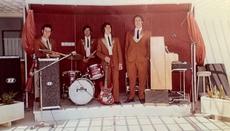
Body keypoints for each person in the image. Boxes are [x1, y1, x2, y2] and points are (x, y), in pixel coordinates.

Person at [125, 15, 151, 104]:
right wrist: (127, 58)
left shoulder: (148, 33)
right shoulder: (129, 33)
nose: (137, 22)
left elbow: (149, 47)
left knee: (142, 78)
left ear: (142, 22)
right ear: (134, 22)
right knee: (131, 79)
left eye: (139, 20)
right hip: (131, 60)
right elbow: (126, 47)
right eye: (136, 20)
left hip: (142, 60)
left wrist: (146, 57)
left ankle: (141, 96)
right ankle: (131, 96)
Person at [96, 22, 123, 104]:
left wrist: (120, 63)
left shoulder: (116, 39)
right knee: (107, 80)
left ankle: (116, 99)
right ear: (103, 29)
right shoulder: (100, 40)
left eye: (109, 27)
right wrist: (104, 57)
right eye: (106, 28)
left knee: (116, 80)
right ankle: (107, 98)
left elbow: (119, 52)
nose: (108, 29)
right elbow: (98, 52)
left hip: (115, 61)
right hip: (106, 63)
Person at [76, 25, 101, 97]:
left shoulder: (95, 40)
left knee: (95, 77)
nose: (87, 32)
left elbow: (98, 51)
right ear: (83, 32)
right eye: (85, 30)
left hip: (92, 61)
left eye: (88, 30)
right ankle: (84, 93)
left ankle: (96, 93)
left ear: (91, 32)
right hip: (83, 61)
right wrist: (82, 58)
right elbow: (78, 53)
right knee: (83, 77)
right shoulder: (80, 41)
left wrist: (94, 56)